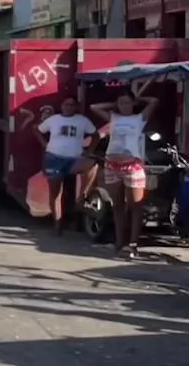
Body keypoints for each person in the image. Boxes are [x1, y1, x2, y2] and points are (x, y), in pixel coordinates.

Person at [91, 89, 158, 256]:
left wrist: (137, 98)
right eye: (121, 103)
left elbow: (153, 101)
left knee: (135, 206)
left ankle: (133, 244)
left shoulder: (139, 118)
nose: (124, 106)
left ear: (133, 103)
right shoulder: (114, 117)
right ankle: (119, 242)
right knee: (117, 206)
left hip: (132, 165)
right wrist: (114, 104)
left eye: (127, 102)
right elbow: (94, 107)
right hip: (112, 165)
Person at [36, 97, 97, 234]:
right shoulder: (54, 119)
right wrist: (44, 144)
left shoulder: (82, 120)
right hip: (54, 158)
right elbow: (37, 130)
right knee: (55, 193)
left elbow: (96, 135)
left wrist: (90, 150)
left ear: (76, 107)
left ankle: (82, 196)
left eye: (72, 105)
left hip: (74, 159)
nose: (69, 107)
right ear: (62, 106)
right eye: (66, 104)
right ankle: (57, 223)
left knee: (92, 164)